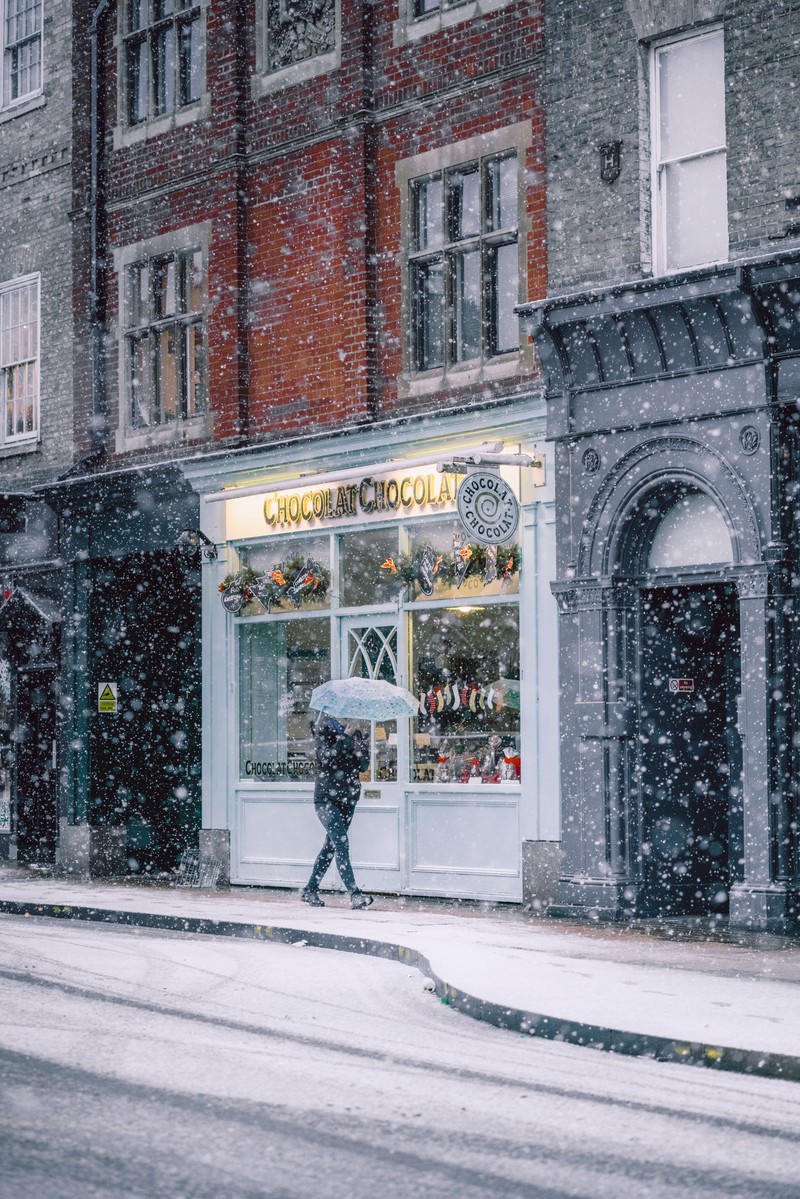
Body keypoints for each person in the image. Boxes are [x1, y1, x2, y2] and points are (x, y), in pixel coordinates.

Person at [301, 715, 374, 909]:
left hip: (348, 798)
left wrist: (360, 741)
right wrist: (345, 739)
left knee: (331, 846)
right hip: (326, 798)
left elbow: (364, 765)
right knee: (341, 842)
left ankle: (310, 890)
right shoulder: (324, 731)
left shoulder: (357, 734)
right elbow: (326, 759)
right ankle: (355, 894)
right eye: (344, 714)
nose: (348, 717)